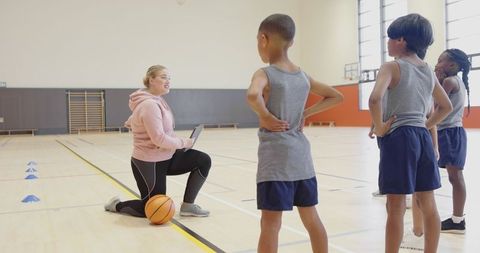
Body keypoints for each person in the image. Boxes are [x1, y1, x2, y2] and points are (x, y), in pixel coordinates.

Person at [246, 14, 343, 253]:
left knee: (270, 223)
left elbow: (251, 95)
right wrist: (306, 113)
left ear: (263, 39)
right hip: (302, 158)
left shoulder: (265, 73)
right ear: (291, 42)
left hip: (276, 159)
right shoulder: (303, 76)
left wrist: (266, 116)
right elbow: (336, 96)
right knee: (311, 219)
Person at [368, 13, 452, 253]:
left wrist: (380, 126)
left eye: (390, 38)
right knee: (428, 203)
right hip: (422, 138)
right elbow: (445, 106)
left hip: (398, 139)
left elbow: (375, 99)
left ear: (401, 40)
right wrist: (425, 125)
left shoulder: (391, 66)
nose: (387, 43)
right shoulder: (427, 70)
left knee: (394, 205)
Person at [104, 65, 211, 218]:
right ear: (151, 79)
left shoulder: (156, 100)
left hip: (167, 156)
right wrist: (184, 143)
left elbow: (147, 120)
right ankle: (116, 205)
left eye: (169, 78)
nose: (168, 81)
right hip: (149, 162)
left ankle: (188, 206)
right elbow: (159, 139)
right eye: (163, 77)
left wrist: (133, 121)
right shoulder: (150, 104)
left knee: (203, 160)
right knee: (151, 208)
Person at [434, 48, 471, 234]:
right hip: (450, 132)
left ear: (452, 65)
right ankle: (457, 219)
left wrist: (437, 80)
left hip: (449, 132)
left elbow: (434, 105)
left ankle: (458, 220)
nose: (437, 63)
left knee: (455, 177)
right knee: (454, 177)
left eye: (440, 60)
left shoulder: (448, 81)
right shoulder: (453, 81)